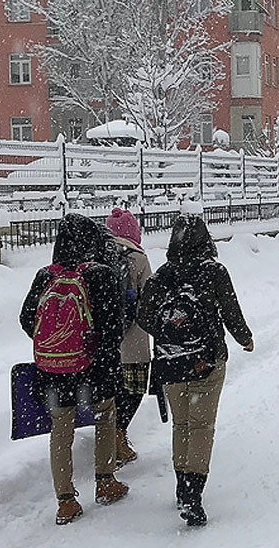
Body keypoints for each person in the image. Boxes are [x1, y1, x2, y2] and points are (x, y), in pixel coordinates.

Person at [137, 213, 254, 527]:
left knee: (182, 425)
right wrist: (245, 338)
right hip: (206, 360)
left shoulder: (161, 276)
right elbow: (231, 311)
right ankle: (193, 494)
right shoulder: (214, 272)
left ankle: (181, 486)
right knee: (202, 427)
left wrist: (170, 330)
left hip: (170, 362)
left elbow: (143, 316)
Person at [19, 213, 129, 525]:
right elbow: (113, 326)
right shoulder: (100, 274)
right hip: (93, 368)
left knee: (60, 429)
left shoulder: (45, 276)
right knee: (106, 416)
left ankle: (65, 501)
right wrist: (95, 353)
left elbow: (27, 319)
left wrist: (56, 342)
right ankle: (105, 481)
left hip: (53, 370)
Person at [105, 207, 153, 468]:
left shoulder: (99, 255)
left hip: (105, 340)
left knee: (110, 391)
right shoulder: (138, 258)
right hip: (133, 340)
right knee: (133, 390)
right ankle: (119, 435)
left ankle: (110, 436)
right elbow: (150, 298)